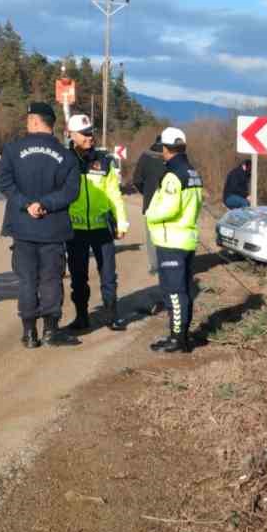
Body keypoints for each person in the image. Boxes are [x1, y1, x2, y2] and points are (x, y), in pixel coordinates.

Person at [0, 102, 81, 348]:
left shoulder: (12, 150)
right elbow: (71, 191)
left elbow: (4, 182)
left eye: (28, 119)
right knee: (51, 279)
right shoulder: (67, 156)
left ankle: (29, 333)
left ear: (34, 121)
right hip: (52, 228)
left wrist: (27, 204)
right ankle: (51, 331)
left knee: (27, 280)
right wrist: (45, 204)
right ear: (51, 125)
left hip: (23, 227)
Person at [63, 113, 129, 332]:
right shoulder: (64, 160)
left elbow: (114, 194)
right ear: (71, 135)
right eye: (84, 134)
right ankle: (82, 317)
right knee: (79, 277)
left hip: (102, 228)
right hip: (75, 230)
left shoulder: (104, 161)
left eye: (91, 132)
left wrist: (122, 222)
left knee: (109, 275)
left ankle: (112, 315)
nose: (89, 137)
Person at [144, 126, 203, 354]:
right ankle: (180, 335)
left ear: (167, 149)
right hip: (186, 239)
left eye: (163, 150)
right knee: (184, 290)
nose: (162, 154)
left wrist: (150, 214)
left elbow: (168, 208)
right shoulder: (193, 173)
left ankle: (178, 339)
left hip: (172, 241)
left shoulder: (173, 175)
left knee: (174, 292)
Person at [132, 136, 165, 279]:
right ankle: (168, 264)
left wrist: (145, 191)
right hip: (171, 203)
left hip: (150, 203)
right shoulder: (173, 157)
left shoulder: (145, 157)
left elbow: (137, 180)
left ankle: (155, 266)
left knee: (152, 236)